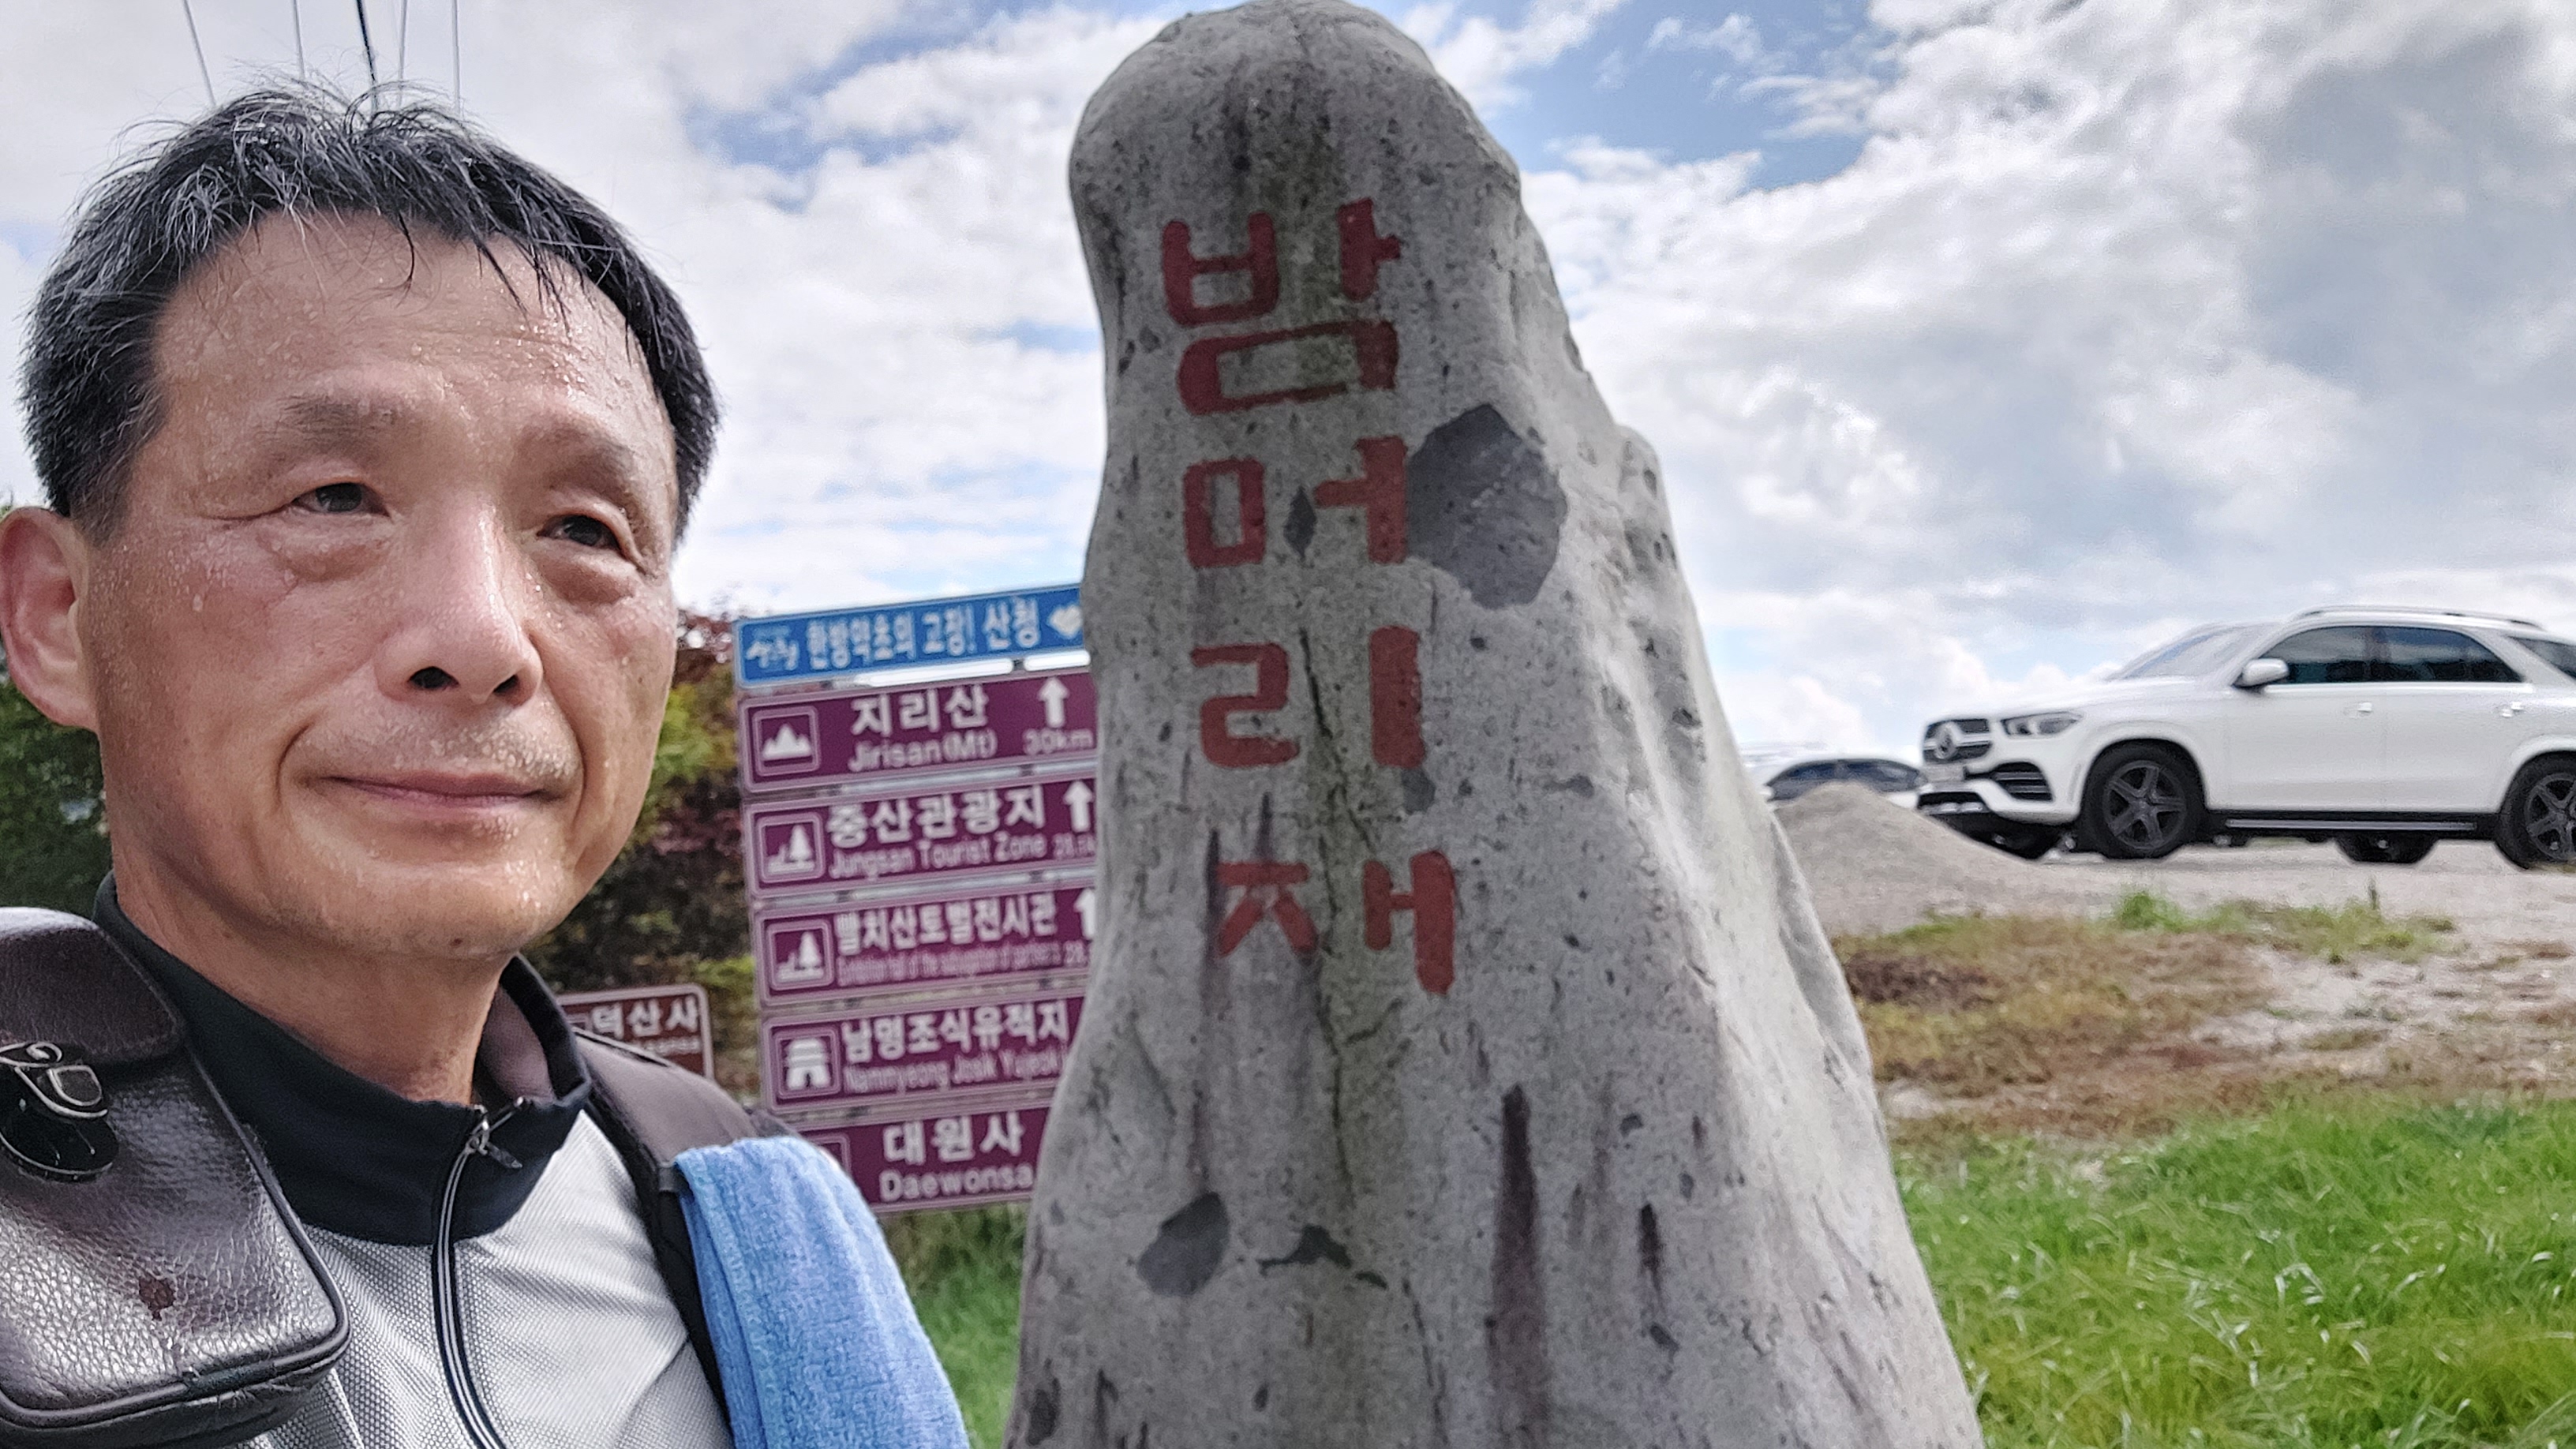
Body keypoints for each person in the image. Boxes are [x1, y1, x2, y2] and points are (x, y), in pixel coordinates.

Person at [0, 90, 960, 1449]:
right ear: (58, 615)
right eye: (334, 498)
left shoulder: (744, 1217)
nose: (482, 640)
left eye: (584, 527)